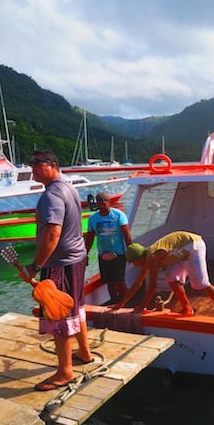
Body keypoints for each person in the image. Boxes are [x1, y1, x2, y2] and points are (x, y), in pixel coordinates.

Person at [19, 149, 93, 391]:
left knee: (57, 313)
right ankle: (84, 352)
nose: (33, 168)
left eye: (37, 164)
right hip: (76, 259)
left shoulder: (52, 194)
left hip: (60, 263)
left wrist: (34, 266)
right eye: (32, 164)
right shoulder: (68, 187)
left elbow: (53, 233)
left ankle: (65, 372)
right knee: (75, 307)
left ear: (52, 165)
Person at [114, 231, 214, 319]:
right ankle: (188, 308)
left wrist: (142, 307)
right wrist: (121, 304)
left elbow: (152, 286)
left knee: (201, 284)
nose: (134, 265)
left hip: (193, 246)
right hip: (181, 252)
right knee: (171, 278)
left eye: (134, 262)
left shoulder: (152, 257)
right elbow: (138, 283)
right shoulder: (147, 259)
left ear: (139, 258)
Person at [84, 191, 132, 304]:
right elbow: (90, 239)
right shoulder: (93, 219)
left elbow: (127, 235)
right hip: (103, 254)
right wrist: (85, 254)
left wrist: (130, 252)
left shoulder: (119, 215)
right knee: (109, 281)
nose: (101, 207)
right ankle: (115, 302)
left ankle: (127, 303)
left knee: (119, 280)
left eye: (103, 204)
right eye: (99, 204)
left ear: (108, 202)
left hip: (119, 253)